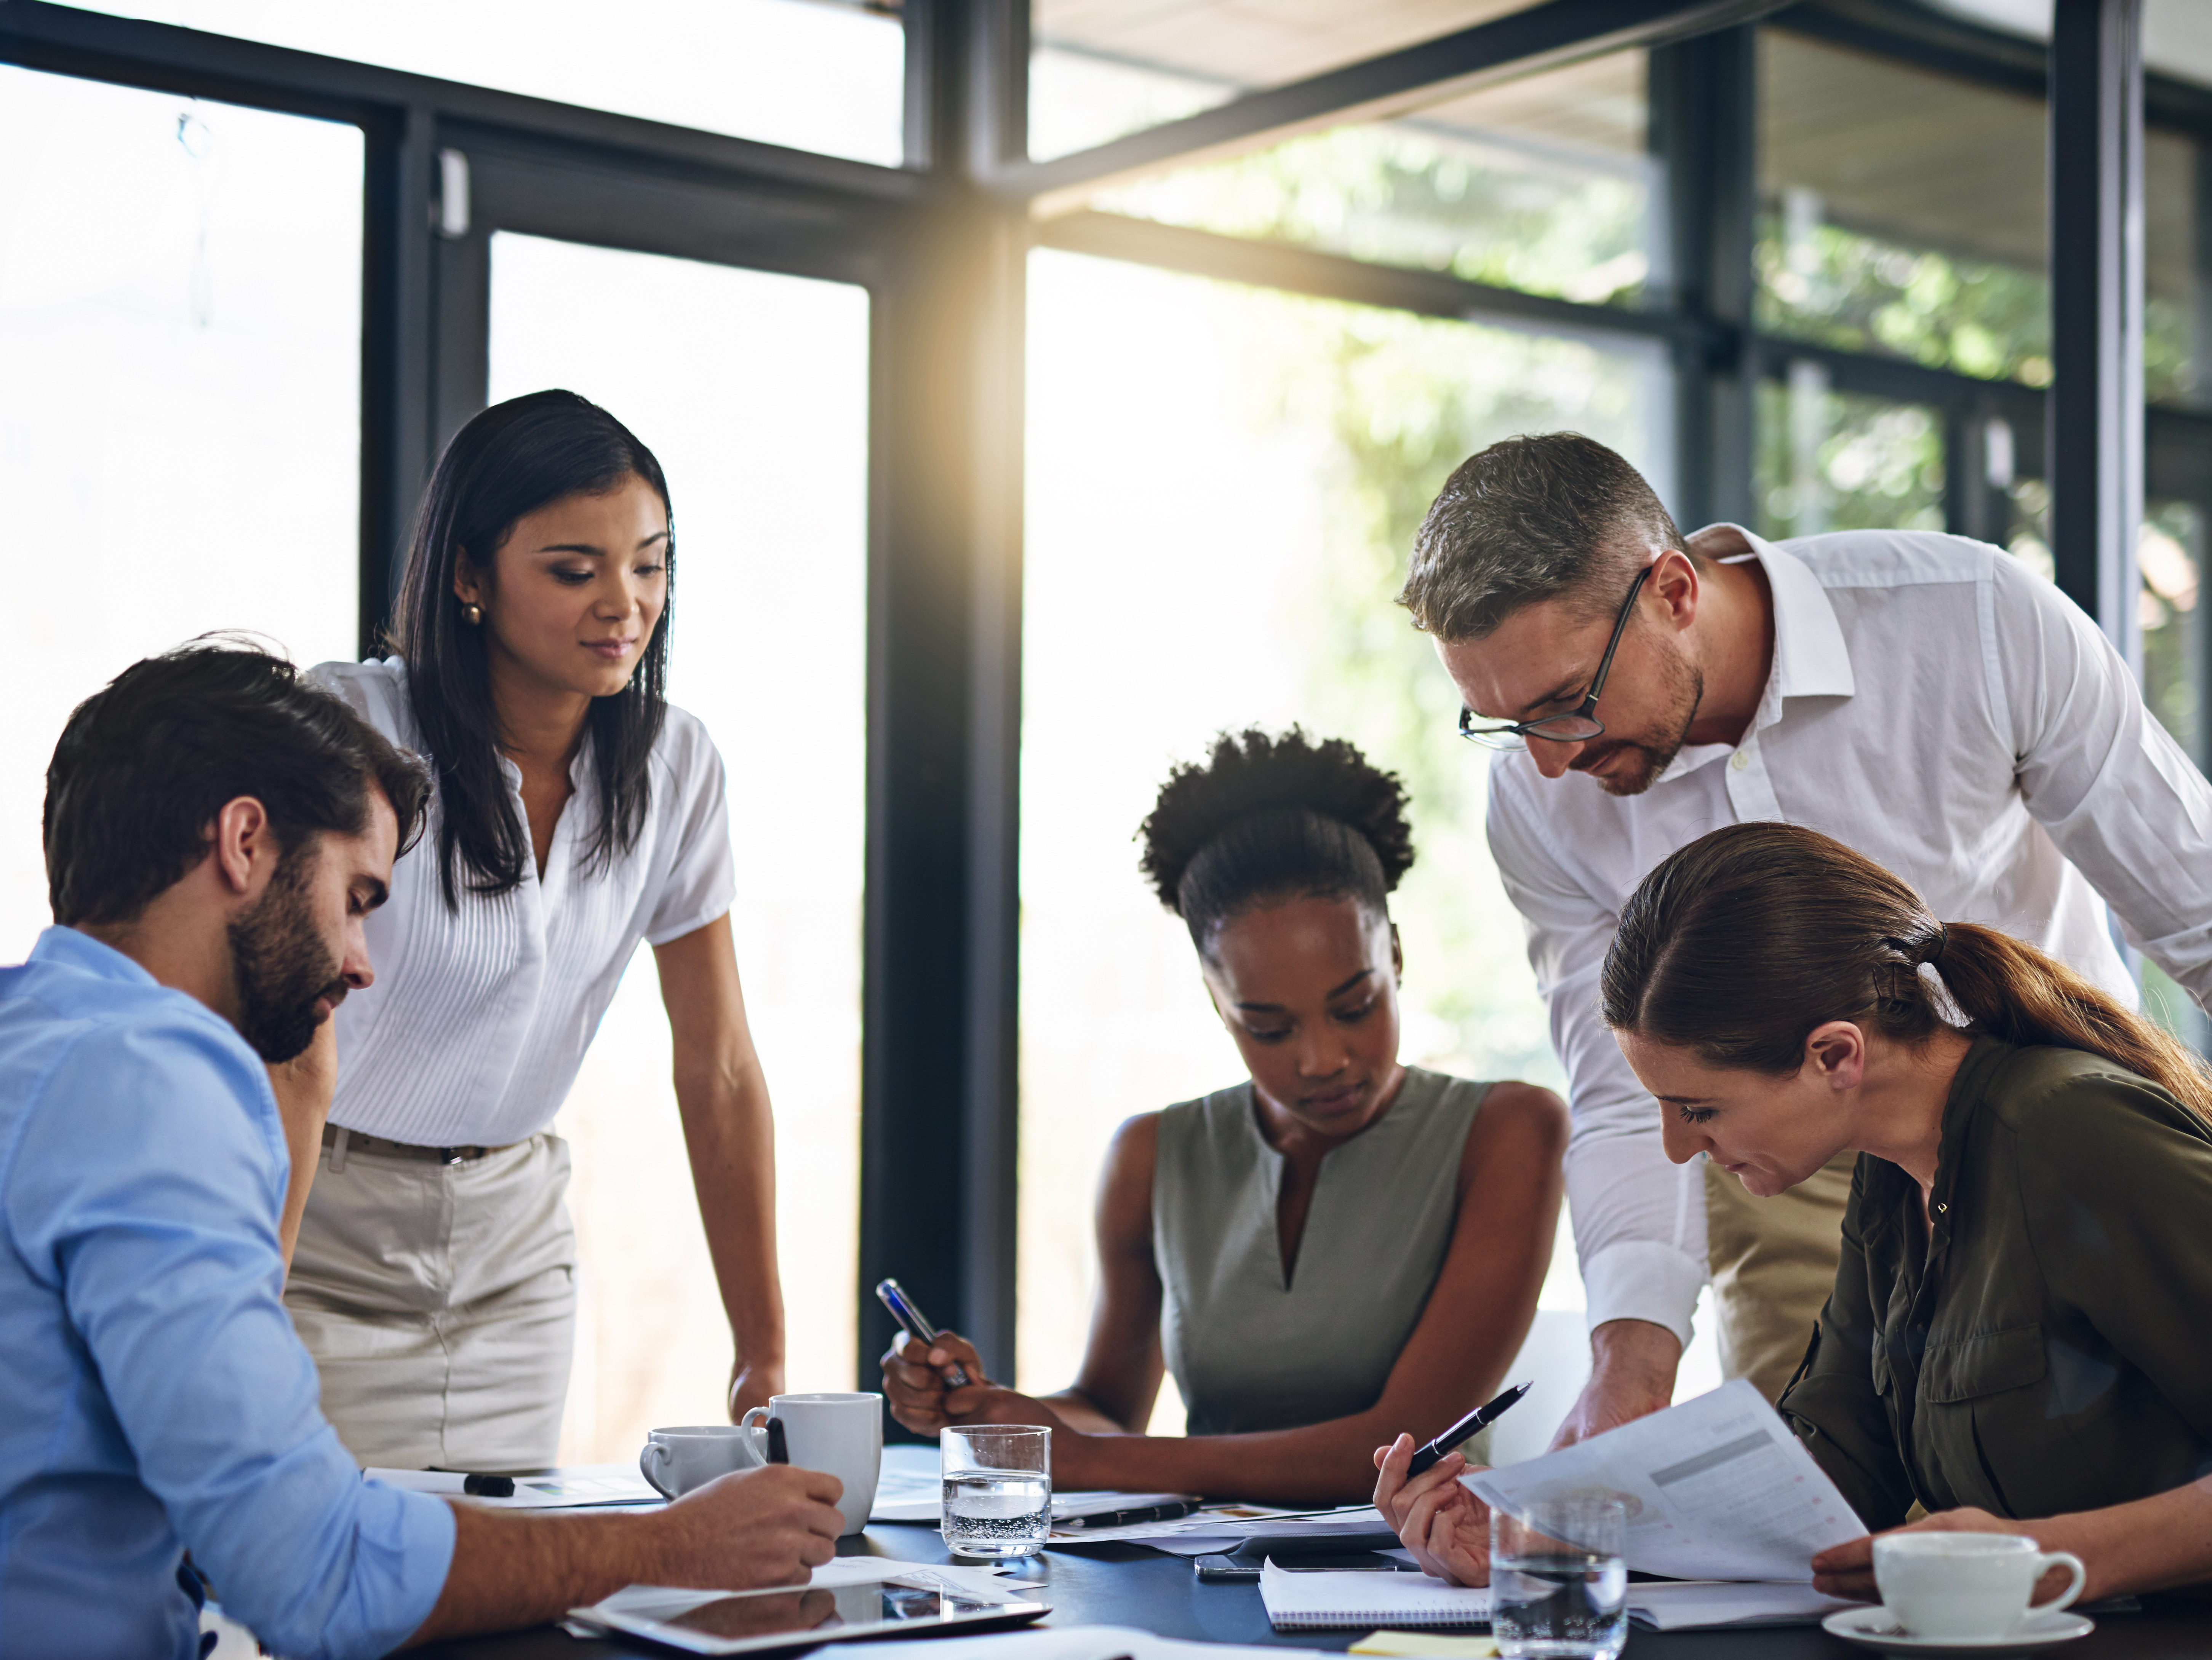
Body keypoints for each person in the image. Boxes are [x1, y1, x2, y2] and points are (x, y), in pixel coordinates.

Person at [1397, 431, 2212, 1444]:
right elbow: (1626, 1093)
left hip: (2050, 1127)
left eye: (1563, 703)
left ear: (1674, 590)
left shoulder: (1969, 623)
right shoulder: (1539, 796)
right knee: (1805, 1538)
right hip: (1778, 1161)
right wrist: (1627, 1368)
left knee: (2114, 1497)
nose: (1545, 760)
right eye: (1503, 722)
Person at [0, 644, 844, 1660]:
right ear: (244, 842)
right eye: (357, 900)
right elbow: (315, 1574)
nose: (360, 966)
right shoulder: (157, 1084)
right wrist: (668, 1545)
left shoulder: (34, 1043)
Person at [1374, 822, 2212, 1622]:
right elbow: (1827, 1478)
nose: (1676, 1149)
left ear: (1836, 1055)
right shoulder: (1892, 1178)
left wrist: (2045, 1556)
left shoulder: (2071, 1136)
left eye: (1697, 1108)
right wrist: (1549, 1536)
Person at [282, 389, 785, 1470]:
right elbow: (286, 1036)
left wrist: (764, 1350)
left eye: (649, 565)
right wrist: (242, 1295)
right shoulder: (352, 727)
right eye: (575, 570)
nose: (625, 603)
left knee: (502, 1600)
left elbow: (722, 1067)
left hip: (514, 1246)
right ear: (469, 577)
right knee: (317, 1603)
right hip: (318, 1234)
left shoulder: (675, 766)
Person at [881, 729, 1566, 1503]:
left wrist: (1085, 1460)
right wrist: (993, 1411)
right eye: (1268, 1026)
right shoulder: (1151, 1154)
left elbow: (1399, 1445)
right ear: (1216, 1001)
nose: (1321, 1058)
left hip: (1415, 1582)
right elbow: (1107, 1413)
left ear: (1396, 955)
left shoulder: (1507, 1130)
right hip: (1193, 1574)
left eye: (1354, 1005)